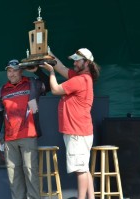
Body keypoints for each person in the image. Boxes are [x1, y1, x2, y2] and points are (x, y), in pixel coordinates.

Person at [42, 48, 100, 199]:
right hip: (81, 131)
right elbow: (60, 66)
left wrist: (51, 72)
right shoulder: (83, 77)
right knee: (84, 168)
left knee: (80, 169)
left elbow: (55, 89)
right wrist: (48, 52)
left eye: (77, 60)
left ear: (87, 63)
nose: (74, 63)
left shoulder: (80, 80)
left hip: (77, 132)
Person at [0, 59, 49, 199]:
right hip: (10, 139)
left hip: (28, 135)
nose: (11, 74)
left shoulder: (32, 84)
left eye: (15, 70)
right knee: (14, 176)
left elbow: (49, 85)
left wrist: (37, 70)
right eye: (9, 71)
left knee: (31, 173)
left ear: (21, 71)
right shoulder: (3, 89)